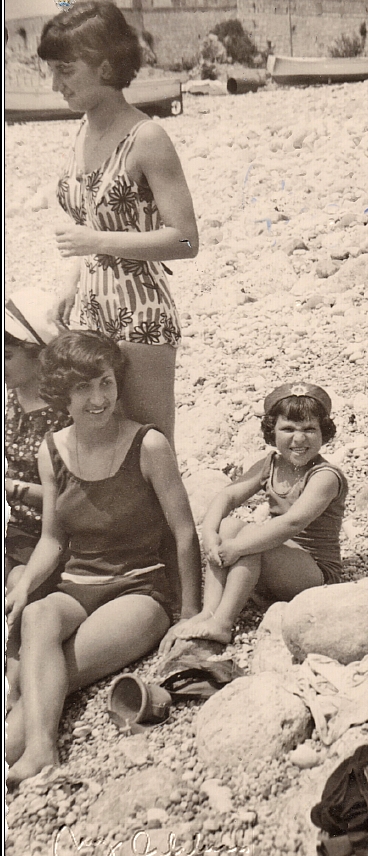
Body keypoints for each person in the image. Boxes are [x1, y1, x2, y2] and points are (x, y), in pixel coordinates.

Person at [5, 331, 202, 787]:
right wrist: (21, 585)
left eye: (106, 383)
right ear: (62, 394)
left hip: (139, 590)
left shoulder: (148, 446)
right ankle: (38, 749)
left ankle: (39, 750)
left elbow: (184, 531)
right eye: (83, 388)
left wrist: (189, 613)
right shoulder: (51, 450)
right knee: (36, 615)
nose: (98, 399)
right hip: (77, 585)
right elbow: (52, 540)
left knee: (44, 683)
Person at [36, 0, 199, 445]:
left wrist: (93, 240)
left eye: (66, 70)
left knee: (149, 447)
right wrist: (70, 286)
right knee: (100, 450)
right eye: (53, 71)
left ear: (106, 66)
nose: (55, 85)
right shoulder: (83, 131)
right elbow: (92, 224)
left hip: (139, 313)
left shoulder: (147, 138)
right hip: (88, 311)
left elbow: (185, 241)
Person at [160, 383, 348, 651]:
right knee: (229, 525)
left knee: (250, 536)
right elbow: (228, 496)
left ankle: (223, 622)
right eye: (288, 429)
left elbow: (291, 523)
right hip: (278, 559)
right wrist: (211, 533)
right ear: (272, 431)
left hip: (315, 573)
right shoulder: (271, 464)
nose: (299, 439)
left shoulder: (325, 476)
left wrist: (238, 547)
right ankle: (209, 612)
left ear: (323, 433)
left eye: (309, 429)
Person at [5, 288, 70, 590]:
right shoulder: (9, 399)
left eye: (7, 355)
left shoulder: (66, 412)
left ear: (40, 353)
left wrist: (14, 489)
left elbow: (76, 496)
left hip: (49, 535)